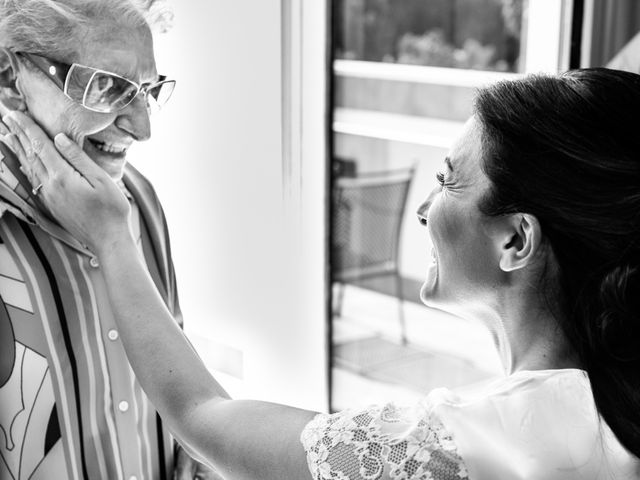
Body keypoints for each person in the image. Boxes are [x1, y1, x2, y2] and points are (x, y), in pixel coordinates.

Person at [6, 67, 640, 479]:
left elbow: (202, 418)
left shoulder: (485, 443)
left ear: (517, 238)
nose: (423, 209)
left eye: (448, 179)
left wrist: (113, 238)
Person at [0, 1, 218, 479]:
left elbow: (176, 384)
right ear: (8, 77)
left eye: (147, 91)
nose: (144, 128)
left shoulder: (139, 198)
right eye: (108, 87)